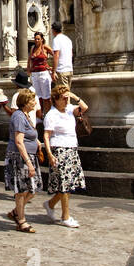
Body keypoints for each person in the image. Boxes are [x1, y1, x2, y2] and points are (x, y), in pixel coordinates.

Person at [43, 85, 89, 227]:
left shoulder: (69, 109)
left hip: (72, 148)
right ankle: (65, 216)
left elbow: (84, 107)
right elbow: (46, 135)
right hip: (60, 149)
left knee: (69, 183)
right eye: (63, 98)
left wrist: (74, 97)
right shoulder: (51, 115)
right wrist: (49, 153)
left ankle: (50, 204)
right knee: (65, 183)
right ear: (55, 100)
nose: (66, 100)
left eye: (67, 98)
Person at [3, 89, 41, 233]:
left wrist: (37, 142)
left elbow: (27, 134)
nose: (35, 103)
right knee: (22, 190)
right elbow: (19, 141)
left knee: (33, 188)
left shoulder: (25, 115)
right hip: (20, 158)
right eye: (32, 100)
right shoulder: (18, 116)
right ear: (25, 102)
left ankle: (15, 212)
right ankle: (21, 221)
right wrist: (29, 163)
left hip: (29, 155)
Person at [28, 32, 52, 115]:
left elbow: (55, 55)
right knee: (38, 97)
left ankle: (48, 114)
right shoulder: (32, 48)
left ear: (42, 39)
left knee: (46, 96)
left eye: (38, 39)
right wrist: (28, 70)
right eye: (35, 39)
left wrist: (52, 67)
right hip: (35, 74)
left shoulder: (44, 47)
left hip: (43, 73)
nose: (36, 40)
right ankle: (40, 115)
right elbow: (29, 60)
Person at [50, 21, 74, 88]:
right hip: (69, 69)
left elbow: (56, 55)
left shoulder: (56, 40)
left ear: (53, 30)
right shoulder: (68, 39)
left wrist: (53, 72)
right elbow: (71, 54)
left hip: (61, 70)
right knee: (67, 93)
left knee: (63, 95)